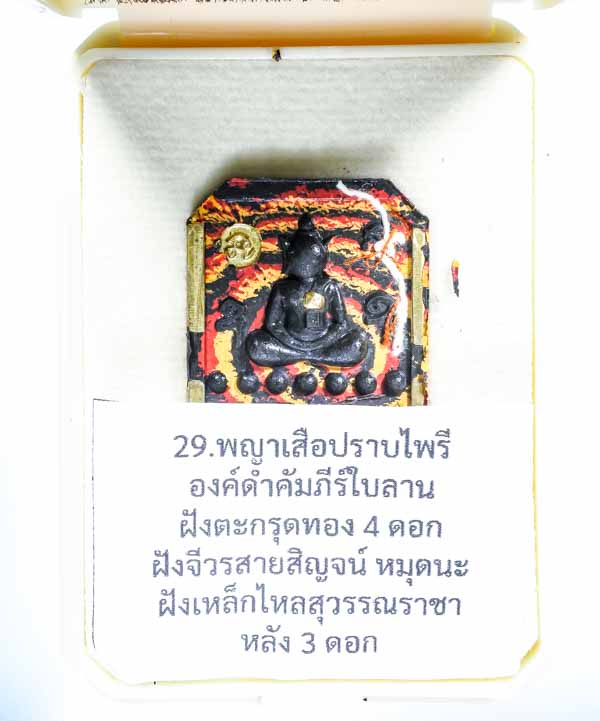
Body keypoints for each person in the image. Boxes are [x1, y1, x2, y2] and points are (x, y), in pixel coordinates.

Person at [246, 213, 369, 367]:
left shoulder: (329, 286)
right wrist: (295, 343)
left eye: (312, 257)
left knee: (358, 343)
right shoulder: (282, 288)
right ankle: (313, 357)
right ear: (289, 257)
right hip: (290, 344)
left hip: (322, 342)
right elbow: (272, 324)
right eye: (300, 255)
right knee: (256, 344)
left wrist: (320, 343)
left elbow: (341, 324)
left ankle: (306, 356)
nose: (306, 263)